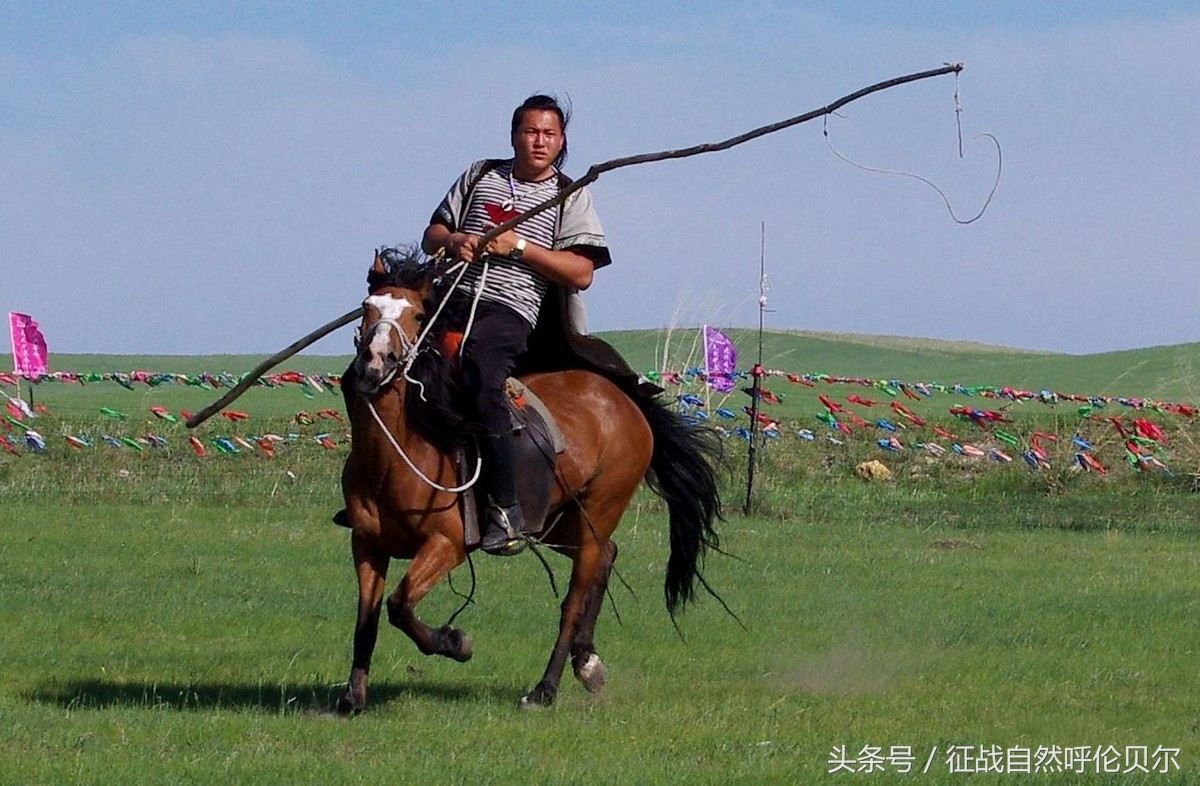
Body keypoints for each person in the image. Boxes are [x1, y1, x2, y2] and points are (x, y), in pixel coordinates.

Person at [421, 94, 612, 556]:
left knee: (482, 379)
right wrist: (456, 240)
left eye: (548, 134)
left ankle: (505, 509)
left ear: (561, 141)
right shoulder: (480, 174)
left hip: (509, 309)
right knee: (381, 368)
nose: (538, 141)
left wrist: (520, 247)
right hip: (449, 296)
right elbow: (431, 236)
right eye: (530, 132)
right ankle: (379, 491)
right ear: (514, 136)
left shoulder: (569, 194)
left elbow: (581, 272)